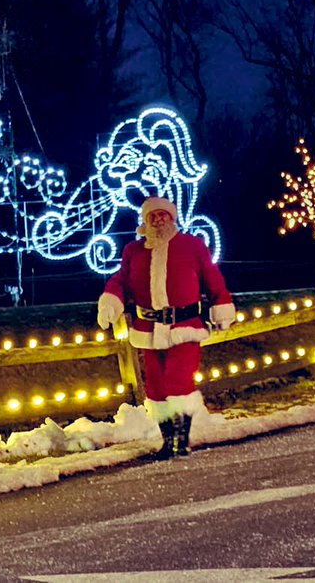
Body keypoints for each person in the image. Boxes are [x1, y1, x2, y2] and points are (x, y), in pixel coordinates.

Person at [96, 196, 235, 458]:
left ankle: (182, 440)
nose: (159, 220)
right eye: (153, 216)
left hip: (185, 326)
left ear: (173, 218)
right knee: (157, 388)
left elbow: (212, 278)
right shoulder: (134, 251)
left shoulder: (192, 246)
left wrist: (222, 305)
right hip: (148, 329)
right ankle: (167, 440)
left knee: (178, 380)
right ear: (145, 221)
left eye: (164, 215)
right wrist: (111, 301)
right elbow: (121, 280)